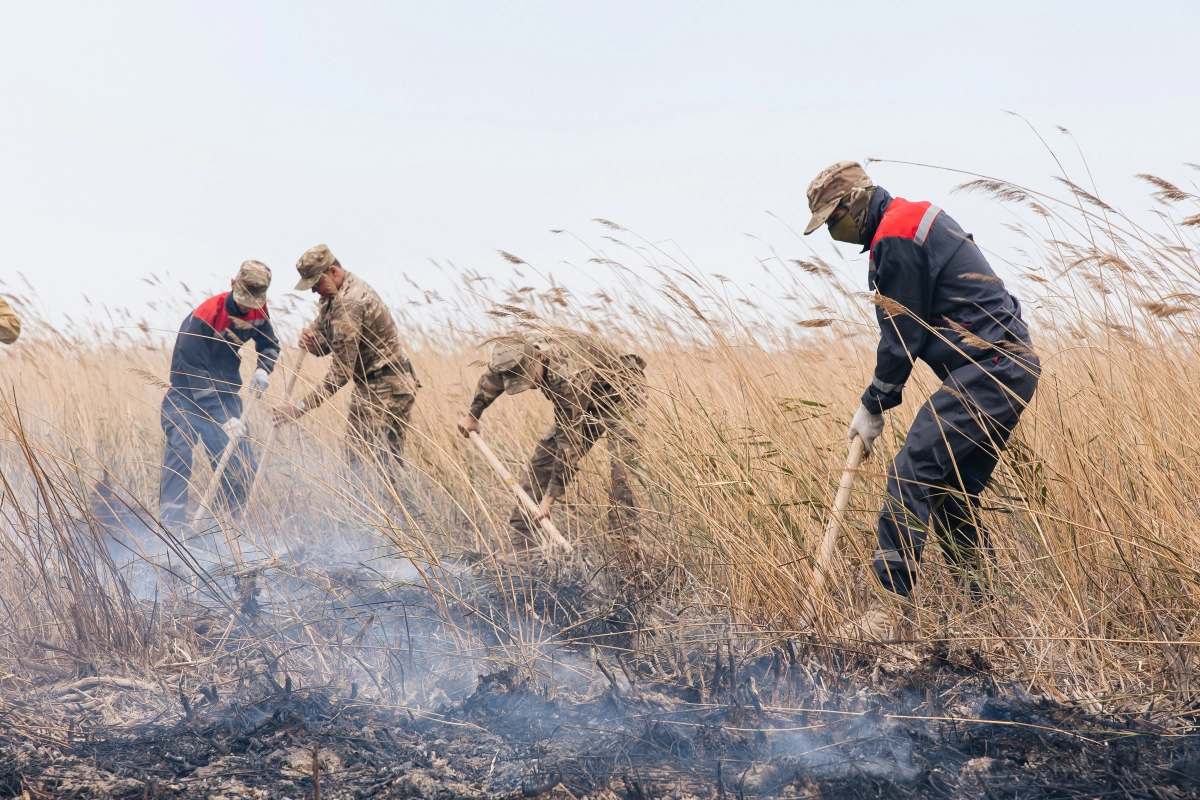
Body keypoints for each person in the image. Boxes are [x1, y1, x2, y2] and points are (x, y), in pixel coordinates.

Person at [804, 161, 1040, 618]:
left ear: (854, 203)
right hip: (1009, 367)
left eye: (834, 219)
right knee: (951, 492)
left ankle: (891, 610)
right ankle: (987, 612)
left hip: (989, 367)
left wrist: (874, 404)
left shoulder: (895, 235)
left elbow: (901, 336)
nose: (834, 231)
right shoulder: (908, 219)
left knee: (911, 471)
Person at [456, 328, 646, 543]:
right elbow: (492, 377)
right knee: (541, 461)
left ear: (539, 356)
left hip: (622, 392)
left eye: (528, 376)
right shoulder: (510, 353)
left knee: (622, 474)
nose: (528, 386)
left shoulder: (566, 374)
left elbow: (570, 442)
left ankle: (629, 553)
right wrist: (473, 414)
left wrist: (549, 500)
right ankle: (522, 547)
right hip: (585, 392)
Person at [272, 245, 419, 480]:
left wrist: (299, 407)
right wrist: (313, 343)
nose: (314, 292)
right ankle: (393, 512)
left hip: (386, 386)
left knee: (358, 462)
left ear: (332, 272)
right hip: (376, 385)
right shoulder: (331, 296)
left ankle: (374, 515)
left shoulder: (350, 303)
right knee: (382, 464)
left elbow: (341, 372)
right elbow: (327, 340)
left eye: (315, 284)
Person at [160, 261, 279, 525]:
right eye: (243, 299)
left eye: (254, 301)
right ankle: (171, 529)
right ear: (233, 284)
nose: (247, 307)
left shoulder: (259, 311)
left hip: (225, 396)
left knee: (239, 461)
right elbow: (194, 376)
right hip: (185, 396)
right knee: (179, 454)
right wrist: (224, 419)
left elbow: (269, 343)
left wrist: (263, 369)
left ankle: (229, 526)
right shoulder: (204, 317)